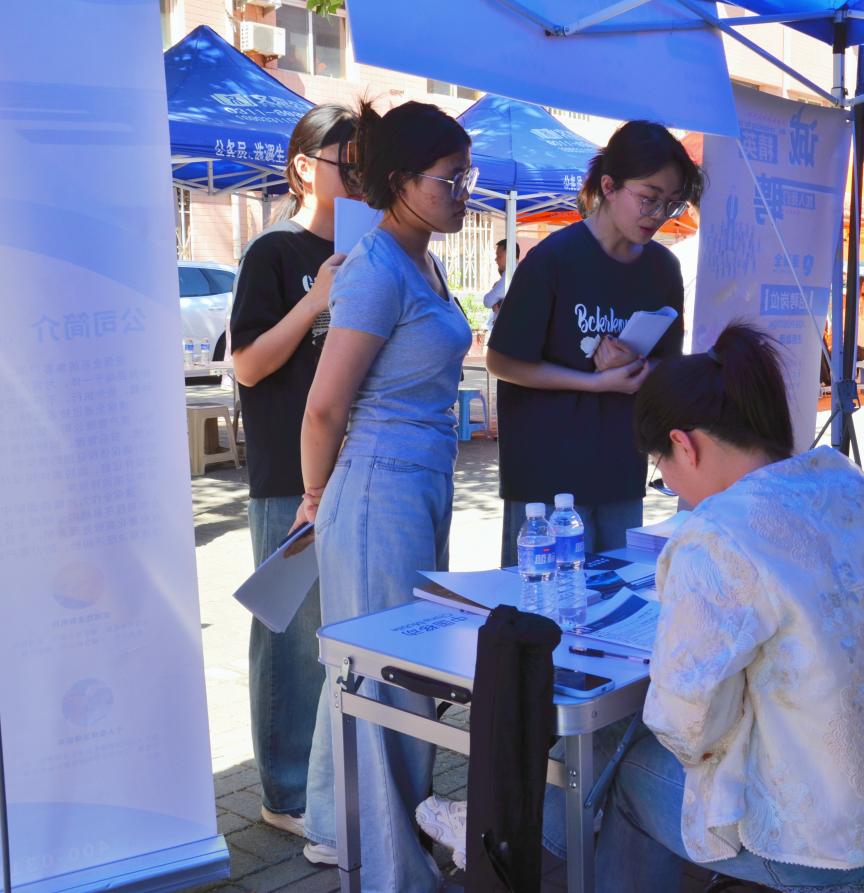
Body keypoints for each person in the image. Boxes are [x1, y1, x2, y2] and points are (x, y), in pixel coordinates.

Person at [540, 324, 864, 893]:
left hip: (821, 839)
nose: (672, 486)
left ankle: (525, 835)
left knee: (620, 761)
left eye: (662, 470)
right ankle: (529, 832)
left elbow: (686, 724)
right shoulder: (848, 483)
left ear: (684, 445)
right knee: (627, 742)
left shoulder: (717, 532)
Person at [297, 100, 476, 891]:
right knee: (391, 674)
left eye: (467, 175)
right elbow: (324, 407)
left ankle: (342, 831)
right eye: (451, 178)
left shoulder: (422, 259)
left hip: (418, 480)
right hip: (379, 485)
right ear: (401, 181)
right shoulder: (376, 268)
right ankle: (387, 859)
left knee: (373, 666)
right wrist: (315, 495)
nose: (464, 191)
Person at [228, 103, 359, 842]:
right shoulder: (273, 252)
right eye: (350, 164)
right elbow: (247, 364)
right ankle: (283, 791)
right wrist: (315, 300)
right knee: (289, 634)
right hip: (288, 471)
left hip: (355, 466)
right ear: (306, 167)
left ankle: (326, 779)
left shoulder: (371, 248)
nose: (363, 179)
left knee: (339, 631)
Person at [486, 121, 702, 565]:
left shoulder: (663, 269)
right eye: (648, 197)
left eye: (672, 203)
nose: (658, 214)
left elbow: (669, 364)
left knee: (618, 594)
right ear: (608, 186)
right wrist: (594, 382)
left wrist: (638, 368)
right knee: (546, 600)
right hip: (547, 479)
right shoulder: (553, 260)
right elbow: (502, 360)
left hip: (621, 469)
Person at [480, 237, 519, 326]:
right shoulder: (518, 271)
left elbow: (488, 301)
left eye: (499, 256)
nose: (496, 259)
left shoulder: (510, 274)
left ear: (510, 256)